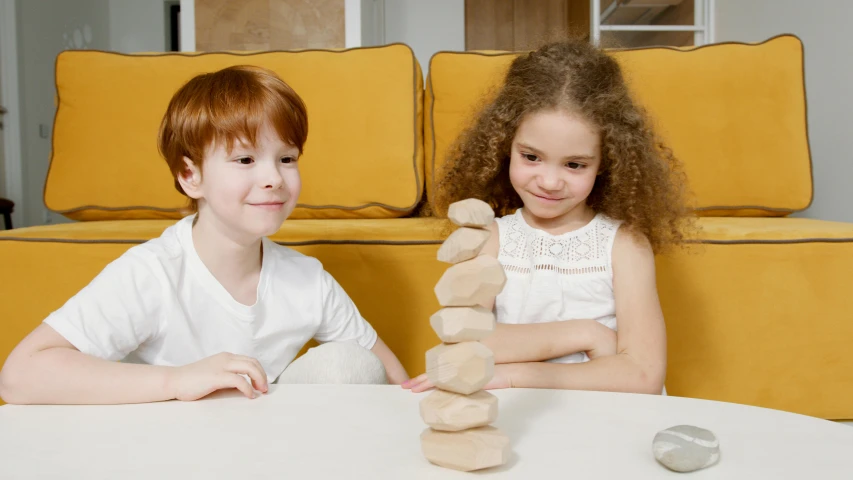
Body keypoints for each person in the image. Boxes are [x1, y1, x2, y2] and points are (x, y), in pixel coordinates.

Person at [0, 65, 408, 405]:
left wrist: (433, 396)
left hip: (268, 444)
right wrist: (177, 381)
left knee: (348, 364)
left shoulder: (308, 279)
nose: (273, 178)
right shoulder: (154, 273)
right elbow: (19, 376)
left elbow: (387, 376)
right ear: (190, 176)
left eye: (287, 159)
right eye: (245, 159)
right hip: (171, 447)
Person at [403, 38, 694, 395]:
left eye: (574, 164)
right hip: (520, 415)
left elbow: (643, 377)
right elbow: (465, 340)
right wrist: (586, 333)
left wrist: (515, 373)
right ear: (504, 146)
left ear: (605, 163)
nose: (550, 181)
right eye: (531, 157)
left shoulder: (624, 245)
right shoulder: (493, 237)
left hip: (608, 418)